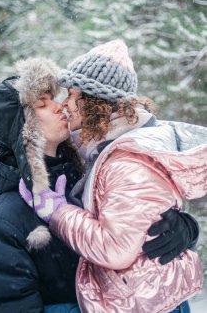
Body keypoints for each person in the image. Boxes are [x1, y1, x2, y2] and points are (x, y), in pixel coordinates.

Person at [20, 40, 207, 313]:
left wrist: (58, 211)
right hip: (136, 294)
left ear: (95, 102)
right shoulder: (100, 147)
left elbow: (115, 249)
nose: (65, 104)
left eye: (73, 95)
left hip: (145, 301)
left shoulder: (126, 162)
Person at [0, 58, 82, 313]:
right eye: (42, 104)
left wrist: (178, 229)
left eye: (52, 99)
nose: (59, 107)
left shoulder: (83, 184)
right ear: (24, 129)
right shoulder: (3, 223)